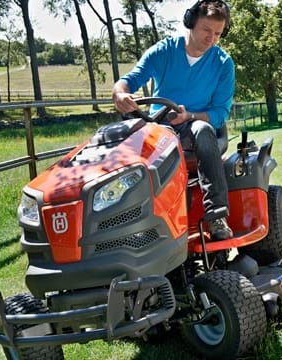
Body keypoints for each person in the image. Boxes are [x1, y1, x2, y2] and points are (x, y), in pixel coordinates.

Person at [112, 0, 234, 240]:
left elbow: (220, 112)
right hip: (159, 125)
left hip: (197, 127)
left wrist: (189, 115)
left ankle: (217, 215)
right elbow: (130, 79)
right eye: (206, 30)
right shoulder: (165, 51)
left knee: (202, 130)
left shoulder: (223, 64)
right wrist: (120, 93)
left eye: (218, 33)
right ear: (190, 24)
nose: (211, 38)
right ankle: (124, 219)